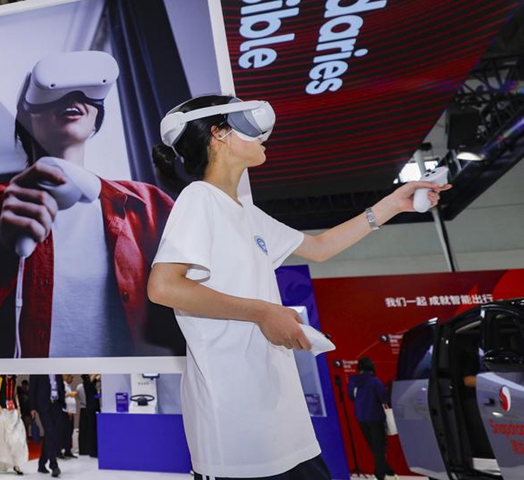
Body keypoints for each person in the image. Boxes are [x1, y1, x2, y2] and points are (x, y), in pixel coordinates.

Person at [147, 95, 450, 479]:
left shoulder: (245, 213)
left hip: (279, 416)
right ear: (219, 133)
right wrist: (264, 311)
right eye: (248, 125)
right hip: (237, 427)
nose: (264, 138)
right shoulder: (199, 198)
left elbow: (320, 248)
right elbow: (164, 286)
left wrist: (392, 205)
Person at [0, 50, 182, 359]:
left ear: (97, 118)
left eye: (85, 93)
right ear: (27, 116)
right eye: (54, 91)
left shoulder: (148, 206)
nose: (72, 96)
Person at [348, 358, 397, 480]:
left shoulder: (352, 382)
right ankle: (379, 475)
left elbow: (351, 397)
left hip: (361, 417)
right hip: (375, 417)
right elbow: (383, 398)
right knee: (379, 447)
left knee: (374, 447)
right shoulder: (374, 381)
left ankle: (389, 472)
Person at [0, 374, 27, 475]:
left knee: (16, 437)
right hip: (2, 411)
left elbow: (15, 393)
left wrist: (18, 407)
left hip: (13, 411)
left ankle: (16, 464)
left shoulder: (15, 377)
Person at [30, 374, 66, 477]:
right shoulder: (38, 368)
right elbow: (32, 388)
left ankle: (42, 464)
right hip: (43, 405)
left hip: (57, 404)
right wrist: (32, 407)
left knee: (50, 435)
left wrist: (63, 401)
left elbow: (60, 384)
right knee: (49, 431)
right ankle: (53, 465)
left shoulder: (57, 368)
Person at [77, 374, 100, 457]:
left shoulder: (91, 384)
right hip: (91, 409)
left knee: (93, 430)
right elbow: (93, 377)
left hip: (93, 408)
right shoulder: (87, 383)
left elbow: (96, 379)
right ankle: (93, 451)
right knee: (92, 430)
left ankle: (94, 450)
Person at [60, 375, 78, 459]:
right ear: (66, 377)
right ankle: (60, 450)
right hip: (66, 412)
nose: (72, 379)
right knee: (64, 432)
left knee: (69, 433)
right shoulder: (63, 385)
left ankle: (68, 450)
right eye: (71, 377)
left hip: (71, 412)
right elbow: (62, 397)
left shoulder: (69, 386)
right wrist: (70, 394)